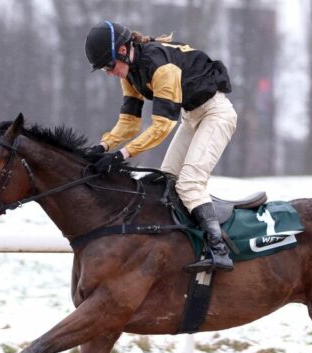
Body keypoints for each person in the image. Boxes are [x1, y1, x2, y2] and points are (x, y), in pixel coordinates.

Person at [84, 20, 237, 273]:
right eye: (104, 70)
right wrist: (102, 146)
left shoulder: (160, 65)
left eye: (109, 66)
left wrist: (121, 154)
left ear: (123, 50)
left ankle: (219, 251)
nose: (110, 73)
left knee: (189, 184)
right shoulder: (130, 74)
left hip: (216, 114)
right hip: (192, 116)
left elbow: (162, 126)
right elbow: (129, 123)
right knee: (166, 181)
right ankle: (184, 244)